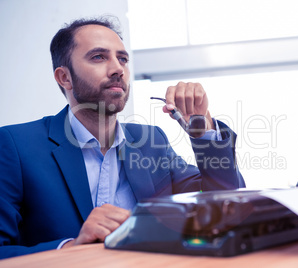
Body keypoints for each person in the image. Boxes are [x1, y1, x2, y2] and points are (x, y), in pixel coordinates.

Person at [0, 17, 245, 259]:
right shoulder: (15, 145)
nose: (118, 68)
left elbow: (225, 207)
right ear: (64, 77)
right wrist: (70, 247)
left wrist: (204, 130)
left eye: (123, 59)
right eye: (98, 57)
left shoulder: (150, 141)